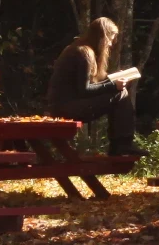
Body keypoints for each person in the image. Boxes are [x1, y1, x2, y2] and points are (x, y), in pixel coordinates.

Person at [47, 16, 139, 156]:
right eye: (109, 39)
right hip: (65, 109)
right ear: (101, 37)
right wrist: (113, 85)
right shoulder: (83, 53)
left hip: (66, 105)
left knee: (120, 91)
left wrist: (112, 80)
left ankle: (121, 145)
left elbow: (88, 86)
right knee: (120, 93)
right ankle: (122, 145)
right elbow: (85, 90)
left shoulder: (79, 48)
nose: (110, 44)